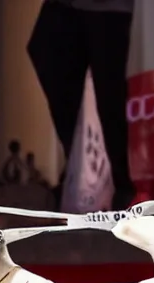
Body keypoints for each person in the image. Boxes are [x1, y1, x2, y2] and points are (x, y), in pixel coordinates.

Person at [28, 0, 136, 210]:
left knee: (111, 93)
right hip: (65, 6)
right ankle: (81, 169)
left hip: (111, 8)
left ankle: (123, 185)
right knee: (46, 54)